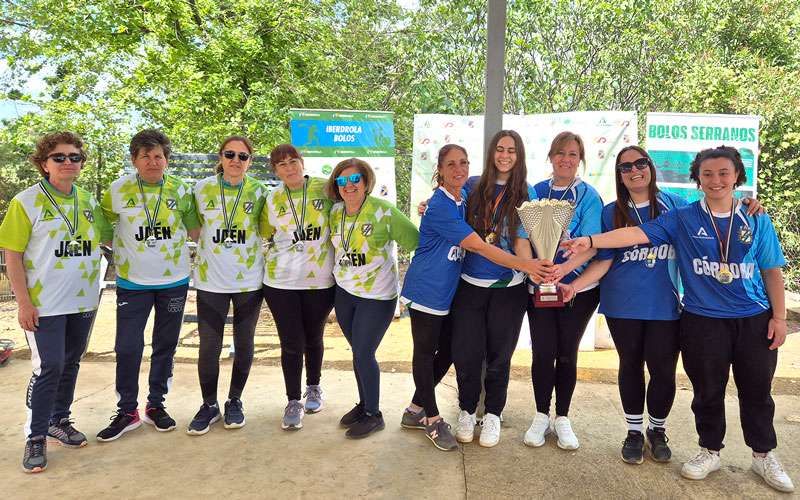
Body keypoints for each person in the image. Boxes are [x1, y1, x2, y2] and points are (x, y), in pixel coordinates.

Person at [562, 146, 794, 493]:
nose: (716, 180)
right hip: (703, 319)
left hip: (753, 317)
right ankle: (709, 450)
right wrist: (589, 241)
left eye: (723, 173)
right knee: (707, 391)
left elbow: (772, 271)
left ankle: (763, 454)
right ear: (698, 180)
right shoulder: (684, 217)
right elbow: (634, 235)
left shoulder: (755, 217)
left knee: (757, 392)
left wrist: (778, 316)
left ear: (737, 177)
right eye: (708, 174)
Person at [399, 144, 553, 451]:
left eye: (463, 162)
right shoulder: (453, 199)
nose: (459, 169)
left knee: (449, 353)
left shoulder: (463, 196)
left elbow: (520, 237)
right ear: (439, 170)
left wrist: (531, 266)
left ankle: (417, 408)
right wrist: (526, 265)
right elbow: (479, 246)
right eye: (451, 164)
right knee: (429, 354)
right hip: (429, 291)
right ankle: (432, 418)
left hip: (451, 291)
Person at [0, 132, 112, 473]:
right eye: (59, 157)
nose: (68, 162)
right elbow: (13, 255)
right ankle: (35, 435)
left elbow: (107, 240)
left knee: (71, 362)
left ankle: (58, 420)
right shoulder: (27, 201)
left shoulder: (89, 203)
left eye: (74, 157)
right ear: (44, 163)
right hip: (44, 304)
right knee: (48, 367)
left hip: (82, 300)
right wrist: (23, 303)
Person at [97, 129, 200, 441]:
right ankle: (127, 410)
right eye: (146, 156)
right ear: (134, 160)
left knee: (165, 345)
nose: (154, 162)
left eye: (159, 156)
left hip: (174, 280)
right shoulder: (117, 189)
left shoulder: (182, 189)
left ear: (166, 159)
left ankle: (156, 405)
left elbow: (194, 228)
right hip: (132, 281)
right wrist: (114, 243)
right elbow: (102, 220)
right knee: (127, 346)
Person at [449, 130, 540, 448]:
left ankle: (493, 415)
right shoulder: (473, 185)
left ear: (519, 156)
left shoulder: (524, 192)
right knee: (467, 354)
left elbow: (521, 242)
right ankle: (466, 410)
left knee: (500, 357)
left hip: (508, 287)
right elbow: (449, 210)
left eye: (511, 150)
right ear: (491, 153)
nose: (505, 155)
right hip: (470, 285)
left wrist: (533, 269)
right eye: (500, 149)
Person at [327, 158, 419, 439]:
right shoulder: (335, 212)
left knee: (364, 352)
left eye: (355, 179)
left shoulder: (384, 212)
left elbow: (417, 242)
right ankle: (364, 403)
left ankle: (374, 415)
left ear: (366, 182)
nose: (349, 186)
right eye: (342, 181)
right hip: (344, 293)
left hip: (376, 296)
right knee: (357, 352)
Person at [523, 131, 603, 451]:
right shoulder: (535, 192)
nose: (566, 159)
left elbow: (593, 247)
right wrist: (538, 269)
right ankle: (541, 415)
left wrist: (562, 273)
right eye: (560, 153)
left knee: (567, 354)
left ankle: (563, 417)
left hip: (576, 289)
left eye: (572, 154)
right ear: (551, 157)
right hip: (538, 286)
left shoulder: (589, 196)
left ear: (580, 159)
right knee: (542, 352)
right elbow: (522, 238)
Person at [186, 136, 266, 435]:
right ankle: (209, 405)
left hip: (248, 281)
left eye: (243, 156)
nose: (236, 160)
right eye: (229, 154)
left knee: (244, 343)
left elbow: (268, 227)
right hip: (211, 280)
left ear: (249, 160)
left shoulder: (259, 191)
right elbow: (194, 228)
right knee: (209, 346)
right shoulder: (201, 188)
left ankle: (235, 400)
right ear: (220, 157)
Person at [260, 144, 335, 431]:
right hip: (280, 282)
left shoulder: (325, 189)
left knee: (313, 337)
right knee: (291, 343)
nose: (289, 168)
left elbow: (356, 205)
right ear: (275, 170)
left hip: (320, 281)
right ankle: (293, 400)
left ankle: (313, 386)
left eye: (293, 161)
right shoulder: (272, 198)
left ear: (302, 163)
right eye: (282, 165)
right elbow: (265, 233)